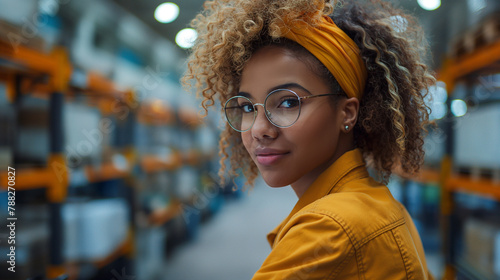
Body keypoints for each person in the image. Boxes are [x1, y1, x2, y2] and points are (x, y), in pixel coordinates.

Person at [183, 0, 436, 279]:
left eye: (288, 103)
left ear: (347, 113)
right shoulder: (378, 204)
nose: (258, 129)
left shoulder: (330, 230)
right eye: (247, 107)